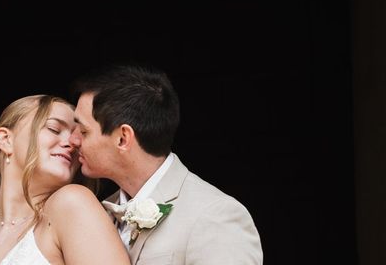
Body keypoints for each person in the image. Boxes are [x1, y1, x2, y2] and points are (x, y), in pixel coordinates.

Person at [69, 63, 263, 264]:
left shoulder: (215, 215)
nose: (73, 140)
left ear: (123, 138)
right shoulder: (96, 214)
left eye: (84, 131)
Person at [0, 94, 131, 265]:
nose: (72, 144)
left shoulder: (72, 204)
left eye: (78, 137)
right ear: (5, 139)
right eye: (54, 129)